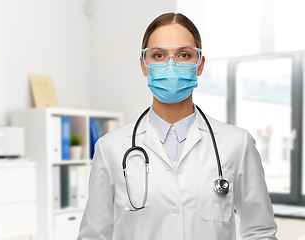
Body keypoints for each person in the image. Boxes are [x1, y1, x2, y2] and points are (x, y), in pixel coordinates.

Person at [77, 12, 278, 240]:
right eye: (159, 55)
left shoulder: (237, 144)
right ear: (144, 65)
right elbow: (93, 235)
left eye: (183, 55)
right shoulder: (110, 148)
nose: (170, 65)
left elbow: (260, 231)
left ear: (199, 65)